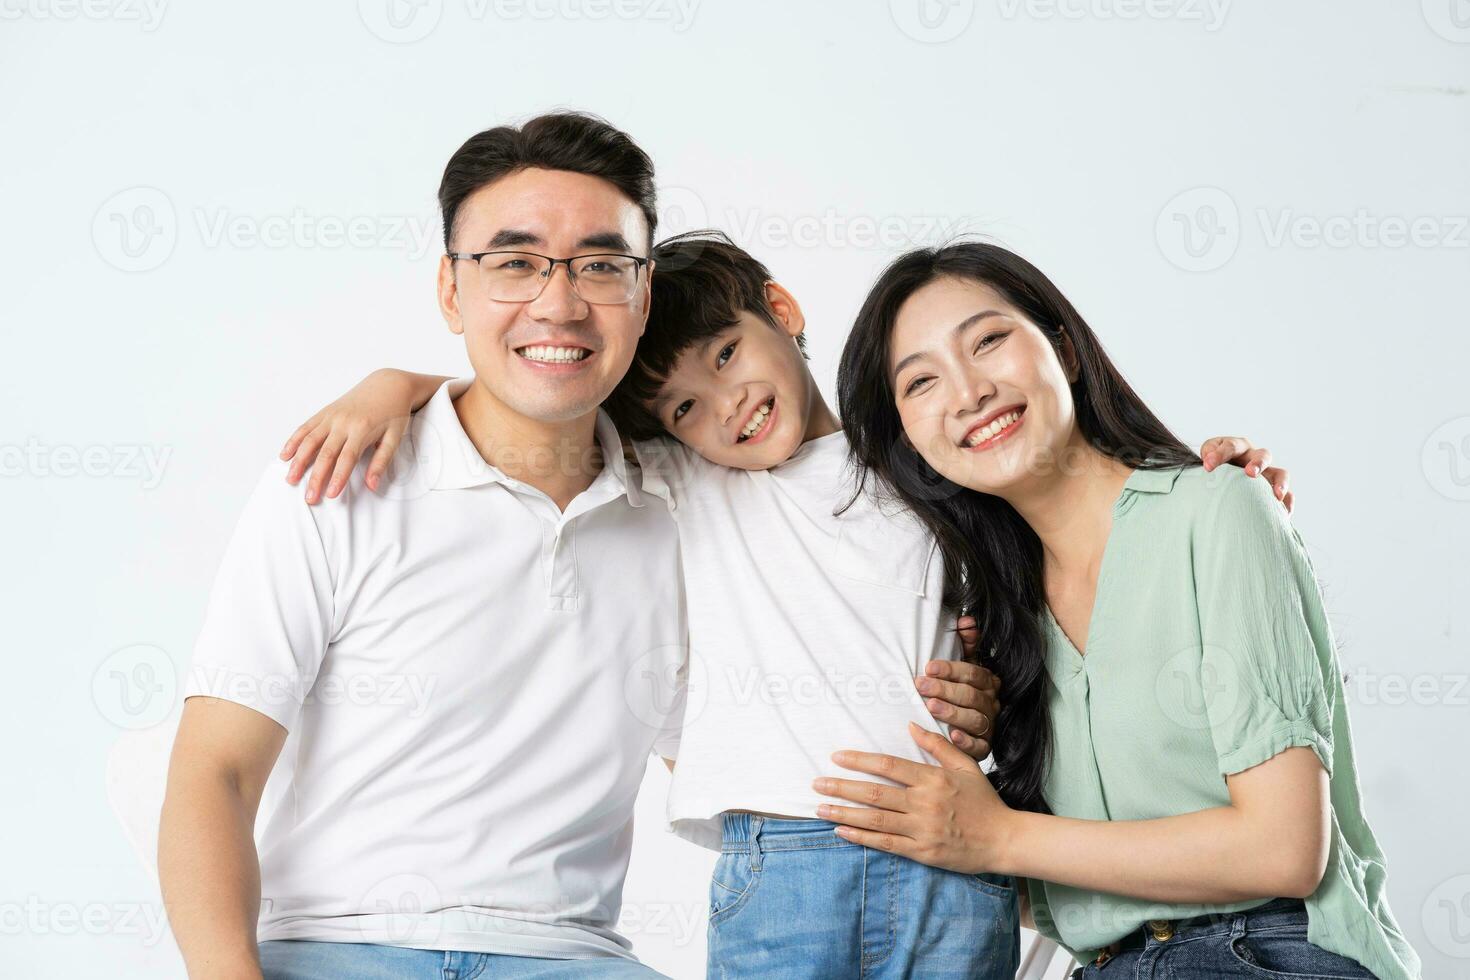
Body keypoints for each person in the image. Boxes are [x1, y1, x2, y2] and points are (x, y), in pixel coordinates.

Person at [282, 231, 1282, 979]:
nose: (725, 407)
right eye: (682, 406)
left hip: (952, 852)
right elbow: (523, 407)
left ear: (782, 309)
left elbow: (1070, 512)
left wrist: (1216, 476)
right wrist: (394, 384)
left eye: (726, 355)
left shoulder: (928, 455)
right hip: (785, 858)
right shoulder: (687, 480)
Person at [160, 112, 993, 980]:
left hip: (574, 957)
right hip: (337, 943)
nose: (558, 301)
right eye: (513, 263)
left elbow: (770, 709)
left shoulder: (687, 502)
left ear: (641, 297)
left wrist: (944, 699)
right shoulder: (336, 478)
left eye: (600, 266)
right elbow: (211, 774)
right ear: (451, 290)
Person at [814, 241, 1421, 980]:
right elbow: (1072, 891)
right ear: (908, 436)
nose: (969, 392)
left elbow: (1284, 849)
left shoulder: (1219, 509)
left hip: (1266, 954)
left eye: (989, 340)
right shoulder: (997, 626)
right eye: (921, 383)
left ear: (1064, 349)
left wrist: (996, 836)